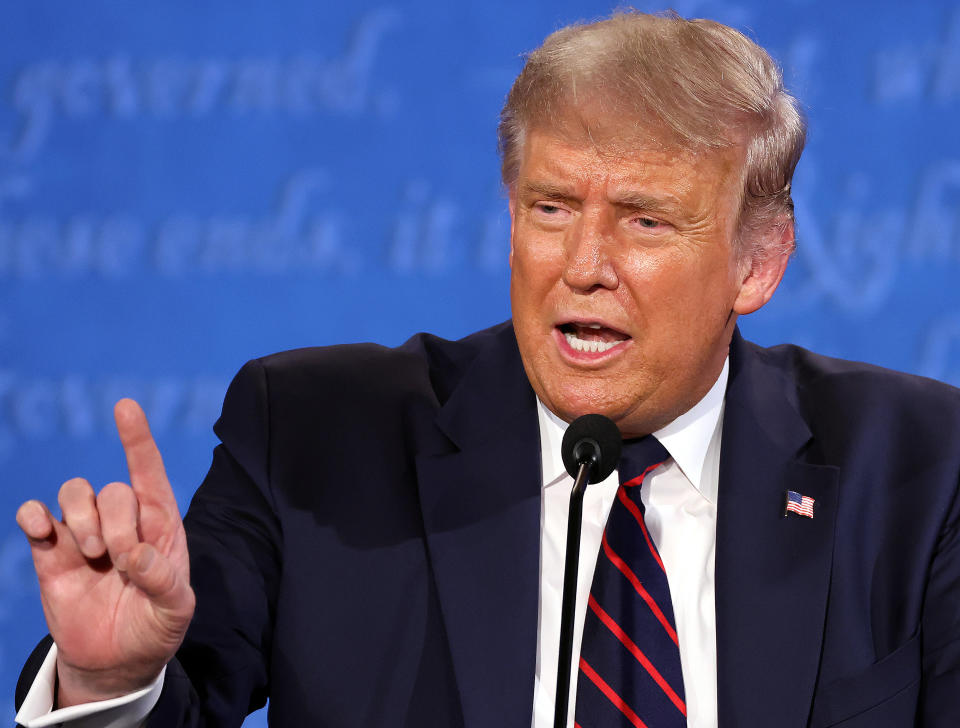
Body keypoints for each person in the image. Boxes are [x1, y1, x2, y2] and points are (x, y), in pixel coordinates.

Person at [13, 10, 960, 728]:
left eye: (645, 220)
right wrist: (108, 682)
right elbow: (182, 692)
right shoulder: (313, 440)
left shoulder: (918, 466)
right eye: (551, 208)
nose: (583, 264)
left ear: (756, 263)